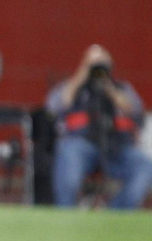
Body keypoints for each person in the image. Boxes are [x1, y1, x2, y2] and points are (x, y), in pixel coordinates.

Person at [46, 44, 152, 210]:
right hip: (81, 144)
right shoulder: (73, 87)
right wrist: (82, 74)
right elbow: (54, 106)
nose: (97, 69)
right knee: (68, 154)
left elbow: (135, 109)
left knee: (145, 166)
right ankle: (65, 215)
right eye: (93, 64)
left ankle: (114, 215)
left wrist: (108, 87)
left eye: (102, 64)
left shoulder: (122, 88)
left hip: (116, 147)